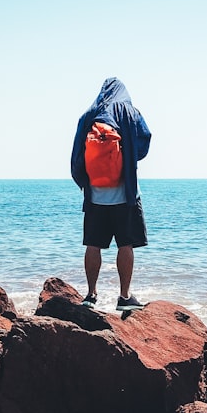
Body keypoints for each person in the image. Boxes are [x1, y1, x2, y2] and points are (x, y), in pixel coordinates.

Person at [70, 77, 152, 311]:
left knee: (93, 245)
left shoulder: (88, 116)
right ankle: (125, 297)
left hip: (95, 195)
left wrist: (85, 182)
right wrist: (125, 162)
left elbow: (76, 155)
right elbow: (144, 142)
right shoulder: (129, 112)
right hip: (126, 195)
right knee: (125, 245)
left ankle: (90, 295)